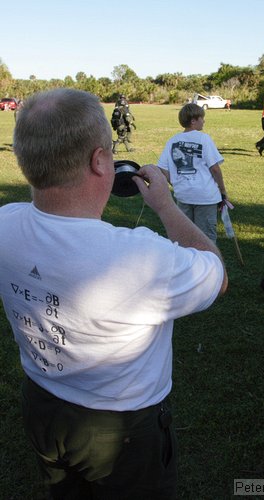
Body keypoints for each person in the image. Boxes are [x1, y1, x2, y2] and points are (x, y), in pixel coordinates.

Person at [1, 88, 228, 499]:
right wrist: (165, 206)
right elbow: (216, 273)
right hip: (121, 431)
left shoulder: (4, 224)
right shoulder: (138, 257)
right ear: (101, 160)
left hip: (40, 404)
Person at [158, 103, 229, 243]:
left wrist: (175, 182)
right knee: (206, 238)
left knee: (184, 236)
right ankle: (208, 263)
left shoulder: (173, 141)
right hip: (205, 196)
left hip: (183, 195)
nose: (204, 121)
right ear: (193, 121)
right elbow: (214, 168)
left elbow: (162, 168)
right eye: (202, 118)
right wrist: (223, 190)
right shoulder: (203, 138)